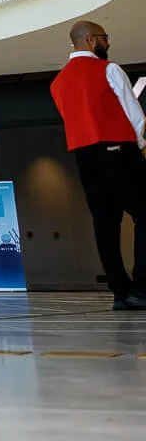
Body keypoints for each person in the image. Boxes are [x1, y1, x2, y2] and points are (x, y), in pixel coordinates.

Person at [49, 21, 146, 311]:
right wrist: (138, 147)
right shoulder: (109, 70)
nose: (108, 44)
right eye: (105, 38)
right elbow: (135, 116)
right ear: (91, 40)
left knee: (105, 224)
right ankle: (141, 288)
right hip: (119, 149)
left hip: (84, 157)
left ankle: (120, 292)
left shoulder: (58, 83)